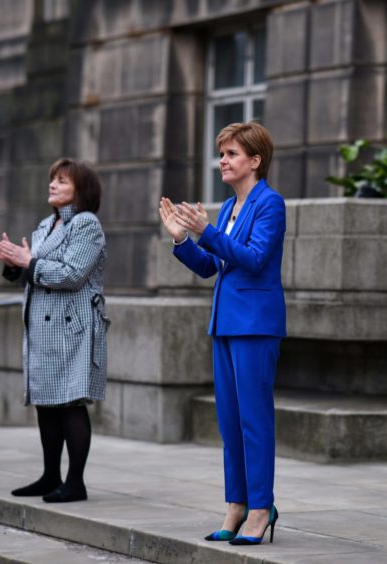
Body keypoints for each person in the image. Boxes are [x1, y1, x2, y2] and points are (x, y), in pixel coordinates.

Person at [159, 121, 285, 545]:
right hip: (227, 323)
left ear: (255, 160)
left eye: (231, 154)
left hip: (256, 325)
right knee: (229, 422)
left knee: (253, 420)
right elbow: (213, 267)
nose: (223, 161)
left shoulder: (270, 204)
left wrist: (206, 232)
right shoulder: (232, 207)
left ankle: (260, 508)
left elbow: (252, 259)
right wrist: (183, 241)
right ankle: (236, 505)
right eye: (222, 154)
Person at [0, 158, 107, 503]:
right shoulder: (44, 226)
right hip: (41, 326)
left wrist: (28, 262)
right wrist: (12, 264)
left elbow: (72, 274)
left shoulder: (86, 224)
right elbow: (30, 273)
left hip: (73, 327)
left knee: (70, 403)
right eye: (53, 179)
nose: (53, 185)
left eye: (62, 181)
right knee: (46, 404)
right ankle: (50, 475)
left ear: (81, 191)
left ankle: (75, 482)